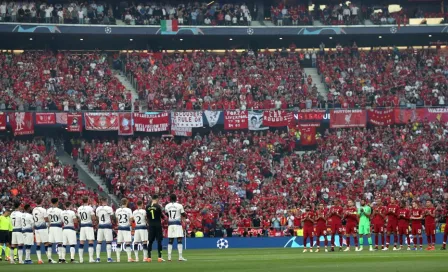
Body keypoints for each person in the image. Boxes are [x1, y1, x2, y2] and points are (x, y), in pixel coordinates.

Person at [165, 193, 187, 261]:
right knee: (179, 240)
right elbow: (183, 214)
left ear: (170, 199)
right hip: (177, 224)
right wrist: (185, 218)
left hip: (170, 224)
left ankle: (169, 258)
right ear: (176, 198)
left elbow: (167, 214)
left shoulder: (167, 206)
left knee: (170, 241)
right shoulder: (179, 205)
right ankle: (180, 257)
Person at [77, 196, 96, 263]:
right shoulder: (90, 208)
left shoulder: (79, 208)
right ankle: (90, 259)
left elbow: (79, 218)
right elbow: (93, 218)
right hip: (88, 225)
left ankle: (81, 259)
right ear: (87, 200)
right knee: (90, 241)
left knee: (81, 242)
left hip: (82, 226)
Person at [95, 197, 114, 262]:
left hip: (100, 226)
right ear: (106, 200)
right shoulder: (109, 208)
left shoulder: (98, 208)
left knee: (99, 242)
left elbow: (97, 217)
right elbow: (111, 216)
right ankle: (109, 258)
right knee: (108, 242)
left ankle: (97, 258)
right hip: (107, 226)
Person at [146, 195, 165, 262]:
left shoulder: (147, 206)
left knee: (150, 241)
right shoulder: (158, 206)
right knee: (159, 241)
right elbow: (162, 216)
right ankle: (159, 257)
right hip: (157, 225)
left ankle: (149, 257)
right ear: (157, 199)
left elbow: (147, 216)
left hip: (151, 225)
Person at [115, 198, 134, 262]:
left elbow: (117, 219)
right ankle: (129, 258)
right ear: (126, 202)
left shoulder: (117, 210)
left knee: (119, 243)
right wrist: (129, 223)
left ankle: (118, 259)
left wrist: (119, 224)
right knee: (127, 243)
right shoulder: (129, 210)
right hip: (126, 227)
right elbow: (131, 219)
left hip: (120, 228)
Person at [32, 198, 50, 264]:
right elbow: (46, 219)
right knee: (46, 243)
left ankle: (39, 259)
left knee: (38, 244)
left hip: (36, 228)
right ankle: (49, 259)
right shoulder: (43, 210)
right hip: (43, 228)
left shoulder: (33, 210)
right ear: (41, 202)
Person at [47, 197, 63, 263]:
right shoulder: (59, 210)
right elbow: (62, 220)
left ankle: (49, 259)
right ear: (57, 202)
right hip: (57, 227)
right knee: (59, 243)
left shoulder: (48, 210)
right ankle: (60, 259)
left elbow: (47, 219)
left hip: (51, 227)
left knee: (50, 243)